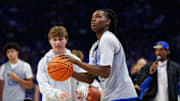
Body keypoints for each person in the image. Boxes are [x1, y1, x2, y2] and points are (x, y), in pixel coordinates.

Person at [61, 9, 137, 101]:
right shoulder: (95, 46)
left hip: (122, 95)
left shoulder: (107, 38)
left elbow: (105, 72)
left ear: (108, 22)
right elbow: (89, 78)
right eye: (92, 17)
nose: (93, 20)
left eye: (98, 17)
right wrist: (68, 73)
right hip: (110, 96)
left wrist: (77, 62)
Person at [36, 26, 88, 101]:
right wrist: (57, 93)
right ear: (49, 41)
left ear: (66, 40)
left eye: (61, 39)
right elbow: (43, 86)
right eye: (54, 40)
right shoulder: (43, 62)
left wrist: (82, 91)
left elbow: (83, 81)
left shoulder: (75, 60)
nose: (57, 43)